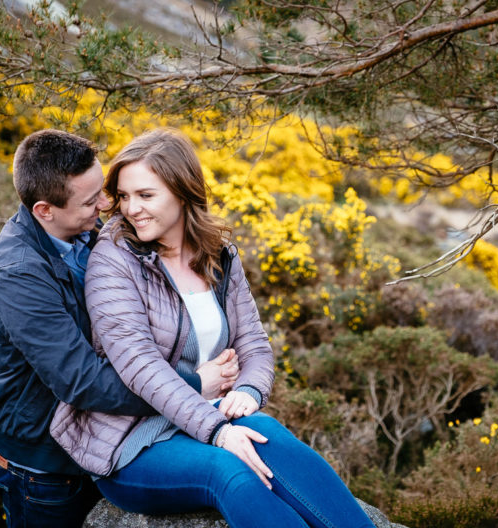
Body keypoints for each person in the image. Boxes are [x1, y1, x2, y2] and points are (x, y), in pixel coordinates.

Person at [50, 128, 376, 528]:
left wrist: (248, 391)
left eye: (146, 195)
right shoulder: (113, 259)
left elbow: (253, 343)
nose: (131, 208)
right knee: (230, 471)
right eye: (124, 196)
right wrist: (218, 430)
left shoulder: (217, 255)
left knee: (267, 433)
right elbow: (140, 366)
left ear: (182, 191)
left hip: (207, 413)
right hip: (131, 440)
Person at [0, 129, 240, 528]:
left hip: (109, 438)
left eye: (102, 190)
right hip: (46, 470)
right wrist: (193, 386)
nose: (106, 205)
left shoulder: (91, 234)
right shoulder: (17, 278)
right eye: (90, 201)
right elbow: (83, 381)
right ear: (45, 210)